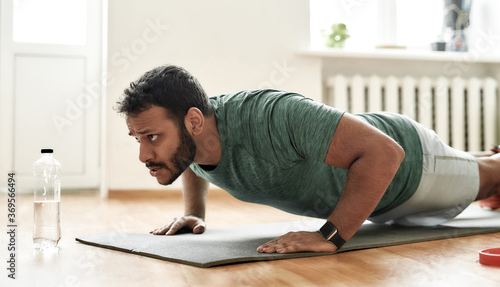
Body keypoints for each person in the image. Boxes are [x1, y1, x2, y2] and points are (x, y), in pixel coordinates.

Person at [116, 65, 500, 254]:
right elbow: (191, 159)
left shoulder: (271, 116)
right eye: (138, 138)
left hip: (411, 166)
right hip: (377, 201)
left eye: (152, 137)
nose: (144, 154)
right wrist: (196, 211)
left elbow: (385, 153)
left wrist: (328, 236)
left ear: (194, 121)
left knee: (490, 178)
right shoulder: (194, 133)